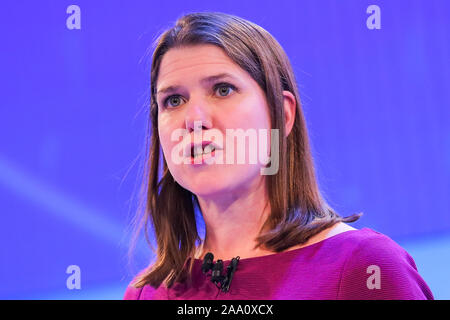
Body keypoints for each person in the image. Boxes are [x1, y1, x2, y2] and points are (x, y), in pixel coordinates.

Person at [124, 12, 433, 300]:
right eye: (173, 100)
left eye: (222, 89)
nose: (194, 118)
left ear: (281, 115)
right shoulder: (148, 292)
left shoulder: (365, 268)